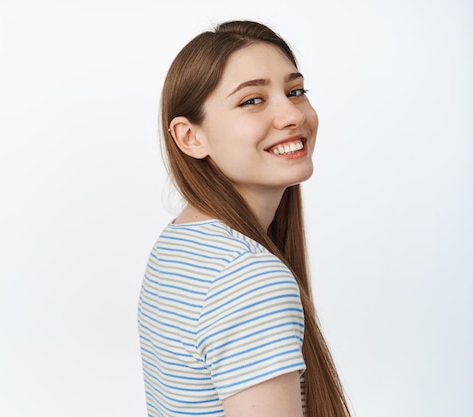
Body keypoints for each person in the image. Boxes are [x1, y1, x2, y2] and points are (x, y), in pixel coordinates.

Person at [137, 20, 351, 417]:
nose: (291, 114)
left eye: (295, 91)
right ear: (190, 137)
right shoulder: (246, 276)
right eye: (252, 100)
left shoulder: (180, 243)